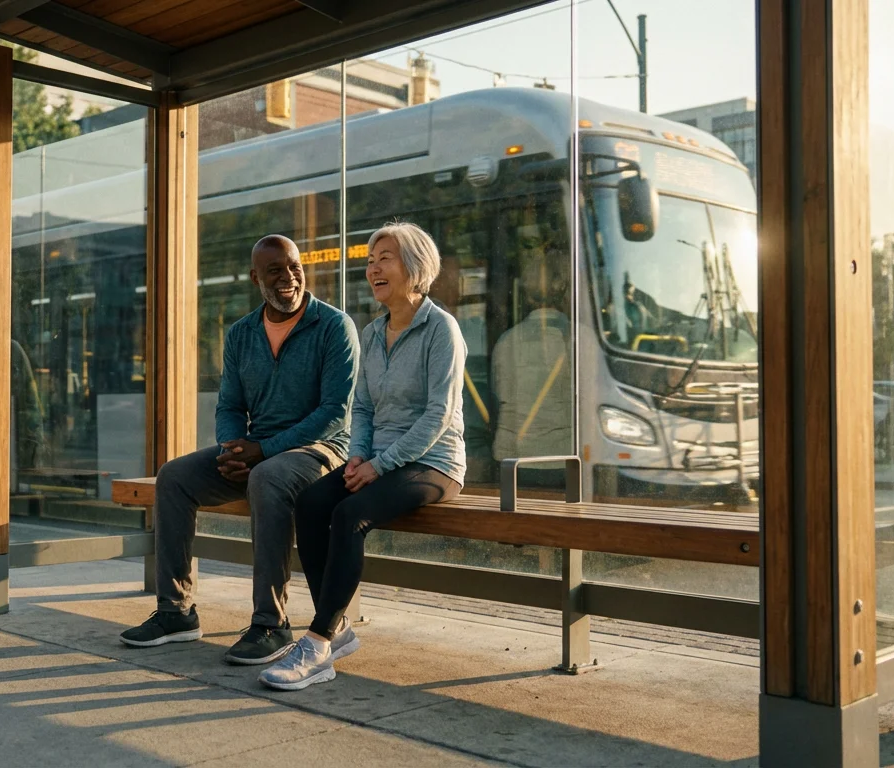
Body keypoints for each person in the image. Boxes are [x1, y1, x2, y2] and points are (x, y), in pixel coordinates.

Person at [120, 234, 361, 667]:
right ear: (256, 278)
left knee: (268, 477)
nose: (289, 277)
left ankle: (271, 623)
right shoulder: (242, 334)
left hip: (321, 452)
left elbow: (334, 413)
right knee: (173, 476)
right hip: (256, 451)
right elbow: (230, 404)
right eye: (275, 271)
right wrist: (233, 448)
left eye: (294, 267)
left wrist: (262, 450)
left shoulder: (334, 326)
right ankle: (176, 613)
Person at [260, 222, 466, 691]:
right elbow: (365, 408)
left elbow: (438, 416)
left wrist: (380, 464)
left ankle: (316, 644)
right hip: (378, 458)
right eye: (370, 260)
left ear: (414, 267)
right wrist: (357, 457)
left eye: (385, 258)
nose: (373, 267)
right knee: (311, 503)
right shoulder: (372, 334)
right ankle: (336, 628)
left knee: (350, 513)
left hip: (434, 463)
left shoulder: (442, 329)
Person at [491, 225, 572, 488]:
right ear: (567, 290)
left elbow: (499, 392)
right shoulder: (577, 339)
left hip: (512, 458)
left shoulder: (507, 341)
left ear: (526, 293)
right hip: (563, 459)